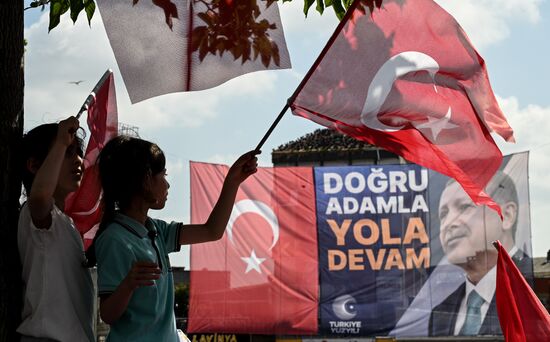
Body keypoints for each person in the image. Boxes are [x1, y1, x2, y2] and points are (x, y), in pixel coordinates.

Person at [84, 135, 258, 341]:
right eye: (163, 175)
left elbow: (212, 231)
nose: (167, 185)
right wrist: (128, 284)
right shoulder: (114, 239)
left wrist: (232, 181)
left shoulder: (156, 229)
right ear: (146, 178)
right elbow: (108, 314)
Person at [18, 117, 95, 342]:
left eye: (77, 152)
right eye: (67, 152)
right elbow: (40, 197)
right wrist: (61, 141)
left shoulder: (66, 224)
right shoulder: (37, 216)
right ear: (34, 165)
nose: (79, 161)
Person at [429, 171, 533, 336]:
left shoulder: (535, 294)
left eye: (464, 207)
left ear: (506, 215)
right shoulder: (439, 313)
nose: (448, 223)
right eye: (443, 214)